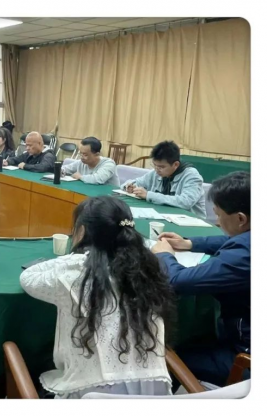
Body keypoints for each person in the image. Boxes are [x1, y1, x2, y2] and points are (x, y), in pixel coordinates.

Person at [20, 196, 175, 398]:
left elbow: (28, 277)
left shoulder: (76, 272)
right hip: (152, 396)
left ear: (81, 231)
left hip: (89, 392)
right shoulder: (148, 269)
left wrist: (74, 257)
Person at [152, 171, 250, 387]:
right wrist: (190, 243)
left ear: (241, 219)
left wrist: (164, 255)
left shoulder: (245, 255)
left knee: (167, 353)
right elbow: (231, 241)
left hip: (245, 357)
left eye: (219, 215)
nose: (218, 222)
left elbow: (177, 281)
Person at [121, 141, 206, 218]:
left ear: (175, 164)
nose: (157, 169)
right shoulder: (155, 173)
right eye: (154, 165)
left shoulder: (191, 175)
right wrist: (130, 186)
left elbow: (186, 202)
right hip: (165, 217)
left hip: (190, 221)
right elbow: (136, 182)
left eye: (161, 167)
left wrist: (149, 195)